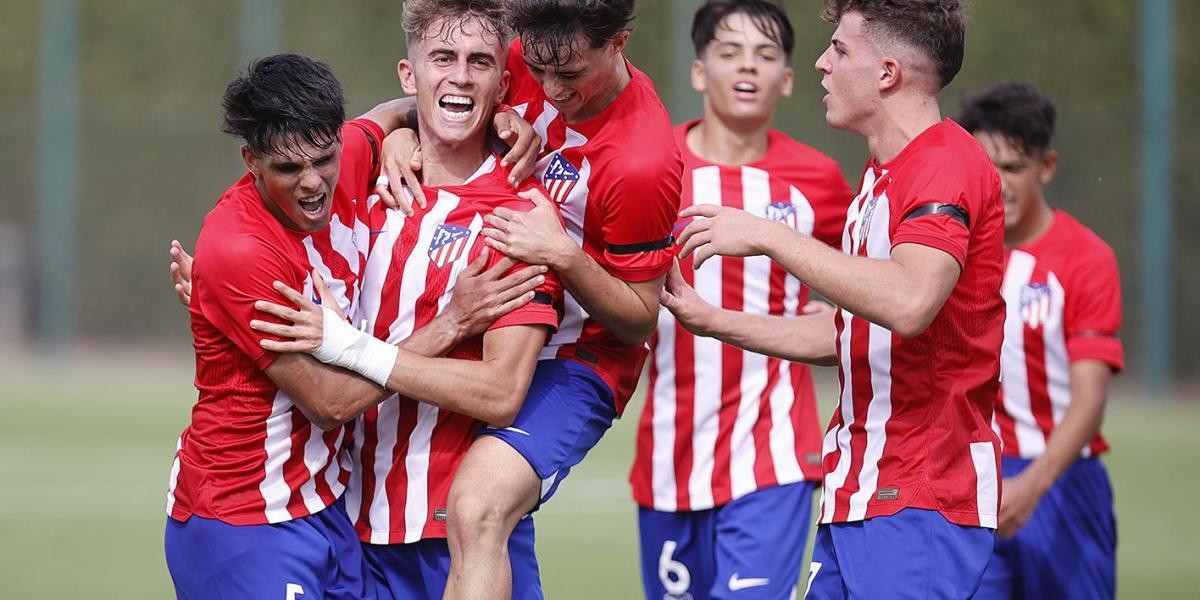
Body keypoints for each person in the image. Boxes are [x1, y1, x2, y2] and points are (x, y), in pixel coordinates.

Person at [672, 0, 1006, 597]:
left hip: (919, 497)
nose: (823, 63)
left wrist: (769, 236)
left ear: (887, 73)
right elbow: (850, 332)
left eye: (841, 49)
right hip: (859, 490)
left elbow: (909, 302)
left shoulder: (945, 164)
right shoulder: (881, 177)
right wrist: (713, 320)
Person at [243, 2, 563, 598]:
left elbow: (500, 392)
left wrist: (355, 348)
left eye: (480, 62)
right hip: (347, 526)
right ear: (408, 75)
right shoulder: (361, 185)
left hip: (453, 539)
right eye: (443, 58)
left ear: (502, 83)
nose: (461, 76)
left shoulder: (518, 219)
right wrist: (207, 282)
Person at [372, 1, 684, 597]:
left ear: (617, 43)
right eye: (538, 70)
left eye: (569, 74)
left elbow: (639, 319)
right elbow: (431, 94)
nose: (549, 88)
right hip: (502, 314)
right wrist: (399, 130)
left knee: (477, 504)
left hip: (576, 360)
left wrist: (563, 255)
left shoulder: (641, 158)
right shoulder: (532, 54)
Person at [627, 1, 852, 598]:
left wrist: (836, 316)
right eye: (729, 53)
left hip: (773, 452)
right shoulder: (654, 168)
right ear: (700, 71)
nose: (747, 68)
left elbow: (866, 285)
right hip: (669, 458)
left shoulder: (821, 180)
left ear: (787, 79)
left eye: (766, 54)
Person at [163, 53, 403, 599]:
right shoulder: (238, 248)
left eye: (324, 159)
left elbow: (392, 115)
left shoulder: (350, 156)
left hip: (323, 505)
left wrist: (407, 133)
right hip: (243, 518)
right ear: (251, 161)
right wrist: (453, 325)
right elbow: (330, 402)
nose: (313, 184)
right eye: (289, 169)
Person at [959, 82, 1123, 600]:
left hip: (1062, 484)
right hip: (973, 484)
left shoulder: (1087, 258)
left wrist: (1034, 484)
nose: (999, 184)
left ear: (1045, 168)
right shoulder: (948, 257)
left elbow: (1089, 398)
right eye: (987, 168)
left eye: (1013, 168)